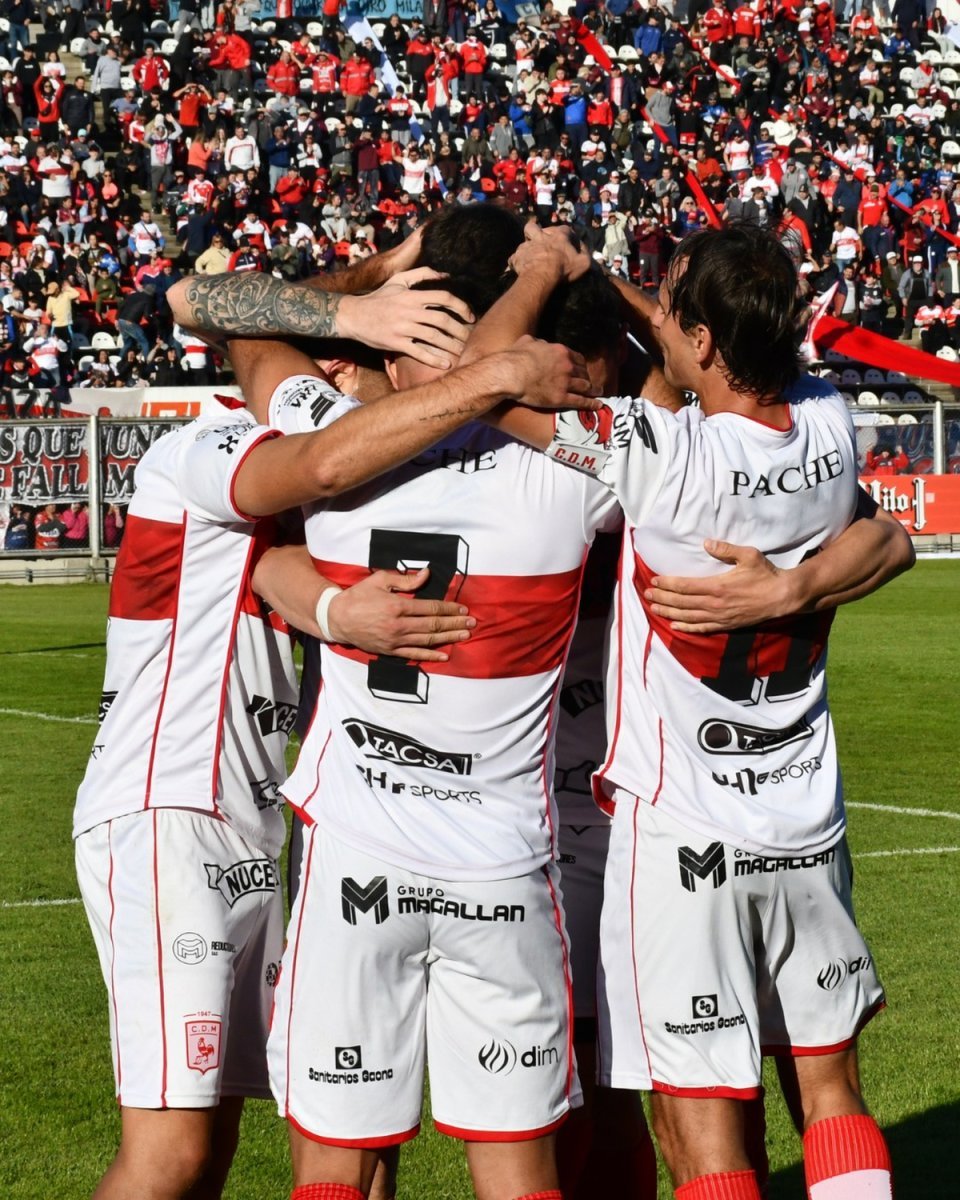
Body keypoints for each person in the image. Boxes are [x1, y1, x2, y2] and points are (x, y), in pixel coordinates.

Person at [76, 243, 594, 1200]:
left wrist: (367, 302)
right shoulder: (219, 447)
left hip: (261, 819)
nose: (341, 371)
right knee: (173, 1154)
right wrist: (370, 312)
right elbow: (298, 436)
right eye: (334, 349)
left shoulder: (317, 450)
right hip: (168, 812)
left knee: (260, 1140)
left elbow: (270, 547)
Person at [460, 222, 904, 1200]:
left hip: (683, 833)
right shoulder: (830, 421)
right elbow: (889, 533)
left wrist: (547, 277)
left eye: (672, 309)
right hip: (803, 813)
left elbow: (485, 389)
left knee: (703, 1137)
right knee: (831, 1090)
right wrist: (612, 283)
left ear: (702, 340)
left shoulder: (655, 448)